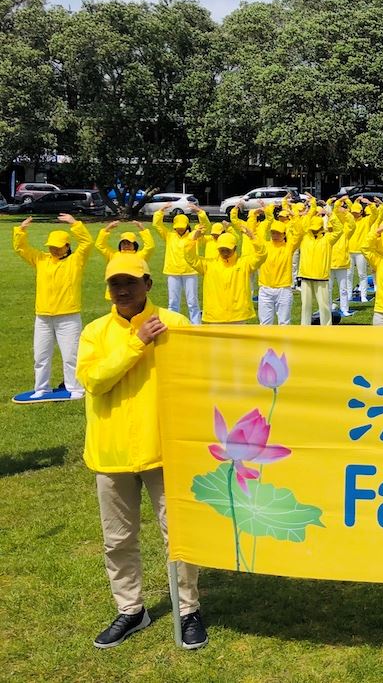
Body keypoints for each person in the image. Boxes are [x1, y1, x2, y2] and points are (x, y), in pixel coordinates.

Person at [77, 252, 206, 650]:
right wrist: (137, 343)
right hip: (111, 451)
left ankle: (188, 610)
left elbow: (198, 379)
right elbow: (94, 380)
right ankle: (131, 609)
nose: (122, 290)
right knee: (117, 538)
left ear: (148, 284)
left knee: (179, 536)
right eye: (115, 283)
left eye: (130, 282)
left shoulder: (176, 324)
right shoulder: (95, 332)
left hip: (165, 448)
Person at [12, 214, 94, 402]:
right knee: (41, 355)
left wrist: (75, 224)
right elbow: (21, 248)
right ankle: (42, 388)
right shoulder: (41, 259)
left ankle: (75, 388)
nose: (53, 250)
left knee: (71, 356)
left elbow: (87, 243)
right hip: (43, 316)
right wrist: (21, 231)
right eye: (51, 247)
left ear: (67, 246)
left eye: (57, 247)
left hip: (68, 316)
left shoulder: (76, 260)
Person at [191, 227, 266, 324]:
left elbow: (262, 255)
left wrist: (253, 238)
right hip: (215, 317)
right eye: (222, 250)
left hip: (238, 316)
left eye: (228, 250)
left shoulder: (244, 263)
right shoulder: (208, 265)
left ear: (235, 248)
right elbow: (190, 257)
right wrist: (192, 240)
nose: (225, 253)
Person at [151, 206, 208, 324]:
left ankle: (196, 325)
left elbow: (205, 226)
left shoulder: (194, 235)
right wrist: (161, 210)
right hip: (172, 272)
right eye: (178, 228)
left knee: (192, 301)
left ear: (187, 225)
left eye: (182, 227)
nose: (180, 230)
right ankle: (173, 323)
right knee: (173, 302)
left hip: (190, 272)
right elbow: (156, 225)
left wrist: (199, 212)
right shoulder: (169, 235)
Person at [297, 206, 345, 326]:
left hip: (321, 277)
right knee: (306, 305)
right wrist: (311, 211)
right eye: (312, 228)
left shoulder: (328, 239)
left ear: (321, 228)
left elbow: (339, 230)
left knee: (324, 305)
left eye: (316, 228)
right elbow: (302, 224)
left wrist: (331, 215)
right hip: (305, 276)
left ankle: (326, 327)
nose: (314, 231)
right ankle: (305, 327)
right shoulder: (305, 237)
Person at [256, 212, 302, 326]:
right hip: (265, 289)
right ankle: (265, 344)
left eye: (278, 233)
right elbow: (257, 233)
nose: (275, 235)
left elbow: (300, 234)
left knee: (284, 323)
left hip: (283, 289)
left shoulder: (289, 247)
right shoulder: (265, 246)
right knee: (265, 323)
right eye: (273, 233)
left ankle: (284, 344)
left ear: (284, 234)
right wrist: (254, 216)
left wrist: (295, 217)